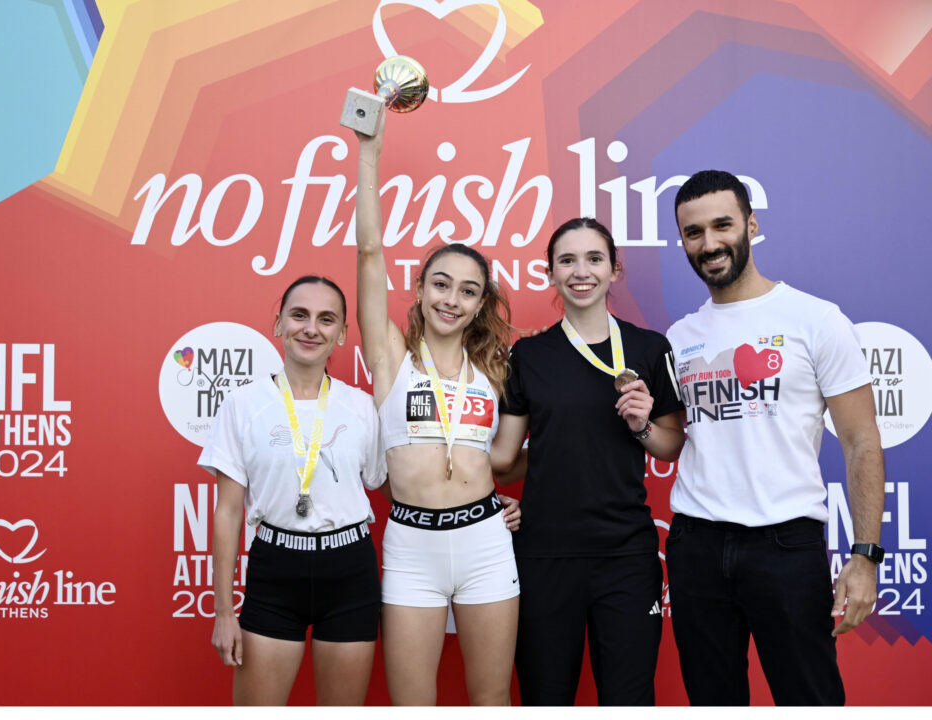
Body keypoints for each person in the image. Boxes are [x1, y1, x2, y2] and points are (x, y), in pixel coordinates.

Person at [666, 170, 885, 705]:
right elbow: (672, 438)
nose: (709, 243)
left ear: (752, 225)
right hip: (696, 546)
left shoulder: (816, 320)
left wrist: (865, 557)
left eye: (722, 225)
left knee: (809, 700)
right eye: (694, 232)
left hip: (785, 546)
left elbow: (861, 441)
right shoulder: (679, 337)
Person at [354, 116, 521, 706]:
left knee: (492, 700)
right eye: (441, 284)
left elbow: (514, 457)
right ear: (421, 289)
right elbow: (369, 253)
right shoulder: (391, 359)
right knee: (412, 705)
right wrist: (369, 152)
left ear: (480, 305)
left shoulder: (496, 369)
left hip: (485, 541)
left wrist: (519, 502)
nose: (452, 299)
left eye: (468, 291)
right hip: (411, 546)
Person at [491, 217, 687, 705]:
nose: (581, 272)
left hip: (626, 556)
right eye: (568, 261)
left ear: (615, 269)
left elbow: (671, 445)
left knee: (629, 700)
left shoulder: (649, 347)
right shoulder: (529, 354)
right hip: (544, 556)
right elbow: (503, 458)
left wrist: (642, 425)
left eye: (594, 259)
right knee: (545, 697)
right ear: (550, 272)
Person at [200, 276, 387, 705]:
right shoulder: (243, 404)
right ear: (278, 323)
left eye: (326, 319)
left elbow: (395, 485)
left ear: (342, 334)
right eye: (299, 315)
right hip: (275, 570)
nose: (311, 328)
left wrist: (481, 503)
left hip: (350, 570)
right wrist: (224, 612)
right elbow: (228, 512)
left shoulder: (361, 406)